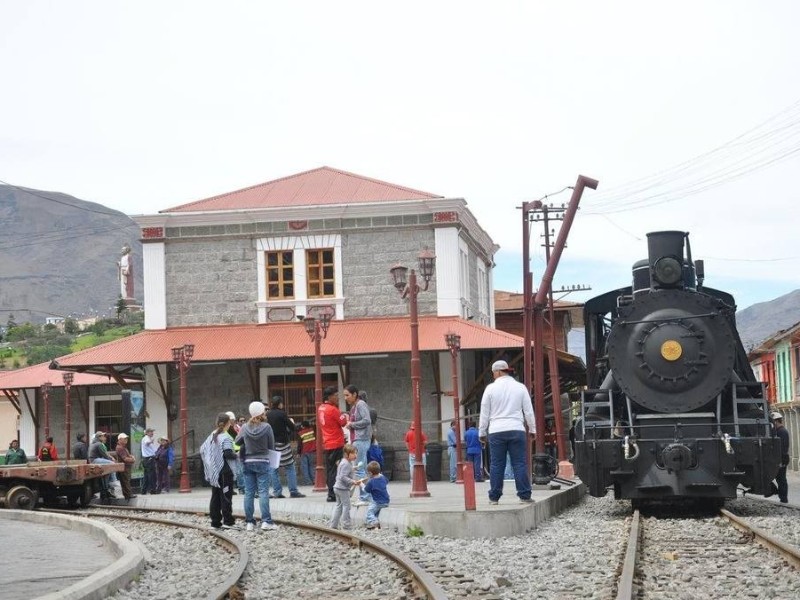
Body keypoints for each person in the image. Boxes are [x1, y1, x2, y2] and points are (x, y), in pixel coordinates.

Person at [478, 360, 536, 505]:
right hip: (517, 429)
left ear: (497, 372)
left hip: (496, 431)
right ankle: (524, 495)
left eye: (493, 373)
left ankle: (494, 497)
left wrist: (482, 432)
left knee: (497, 464)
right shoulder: (520, 387)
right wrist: (532, 429)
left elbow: (484, 413)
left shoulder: (490, 389)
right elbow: (528, 411)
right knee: (519, 463)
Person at [235, 401, 279, 531]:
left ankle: (249, 522)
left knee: (248, 492)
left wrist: (246, 439)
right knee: (263, 492)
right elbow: (272, 446)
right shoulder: (267, 427)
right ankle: (266, 521)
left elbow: (237, 441)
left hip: (248, 462)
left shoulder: (244, 427)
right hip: (263, 461)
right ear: (262, 412)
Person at [201, 412, 239, 530]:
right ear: (228, 424)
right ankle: (228, 521)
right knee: (226, 496)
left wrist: (210, 462)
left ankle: (215, 522)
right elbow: (228, 454)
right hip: (225, 471)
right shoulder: (226, 437)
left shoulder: (212, 435)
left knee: (215, 497)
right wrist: (237, 455)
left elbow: (202, 450)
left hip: (214, 471)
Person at [266, 396, 305, 499]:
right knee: (290, 467)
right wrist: (298, 425)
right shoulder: (282, 414)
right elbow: (292, 427)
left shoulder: (268, 414)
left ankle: (277, 492)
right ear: (279, 404)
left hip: (272, 444)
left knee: (273, 469)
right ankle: (293, 491)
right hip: (283, 444)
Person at [344, 384, 372, 504]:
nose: (345, 398)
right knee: (362, 469)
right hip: (357, 439)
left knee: (359, 469)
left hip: (361, 439)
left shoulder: (361, 404)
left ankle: (364, 497)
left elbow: (367, 420)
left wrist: (352, 424)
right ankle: (366, 495)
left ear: (355, 394)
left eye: (347, 395)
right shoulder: (354, 406)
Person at [318, 385, 346, 502]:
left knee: (330, 469)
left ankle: (331, 493)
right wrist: (344, 415)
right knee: (336, 469)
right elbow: (343, 422)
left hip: (327, 442)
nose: (338, 398)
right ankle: (333, 493)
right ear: (329, 397)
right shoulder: (333, 409)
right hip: (336, 442)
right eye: (336, 395)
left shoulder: (321, 408)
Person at [329, 444, 358, 530]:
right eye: (353, 453)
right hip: (343, 488)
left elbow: (343, 472)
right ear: (346, 454)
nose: (355, 455)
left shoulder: (344, 462)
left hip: (337, 487)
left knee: (339, 506)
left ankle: (333, 524)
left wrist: (352, 468)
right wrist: (353, 481)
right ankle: (346, 524)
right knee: (347, 506)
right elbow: (343, 476)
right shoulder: (346, 464)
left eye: (356, 453)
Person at [362, 460, 390, 530]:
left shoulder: (371, 481)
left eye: (368, 473)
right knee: (375, 512)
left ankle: (374, 522)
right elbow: (386, 481)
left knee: (369, 512)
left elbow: (365, 490)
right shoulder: (383, 478)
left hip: (377, 502)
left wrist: (361, 484)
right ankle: (375, 524)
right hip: (386, 501)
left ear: (371, 473)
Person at [769, 411, 790, 504]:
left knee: (781, 479)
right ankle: (780, 494)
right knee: (778, 478)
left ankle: (783, 498)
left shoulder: (782, 432)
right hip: (779, 459)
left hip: (782, 459)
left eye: (773, 422)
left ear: (776, 421)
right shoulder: (778, 431)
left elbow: (783, 448)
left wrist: (780, 461)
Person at [88, 432, 117, 498]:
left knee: (108, 468)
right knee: (112, 464)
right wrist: (112, 459)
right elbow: (105, 455)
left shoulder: (93, 443)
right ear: (99, 437)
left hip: (93, 460)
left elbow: (104, 454)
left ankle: (106, 489)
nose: (104, 437)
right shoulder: (99, 444)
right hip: (95, 460)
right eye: (103, 436)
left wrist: (109, 458)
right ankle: (113, 482)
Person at [115, 433, 137, 500]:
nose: (126, 440)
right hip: (124, 467)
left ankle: (128, 494)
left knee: (126, 481)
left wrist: (131, 456)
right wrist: (132, 459)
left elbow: (127, 456)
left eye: (126, 438)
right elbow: (125, 459)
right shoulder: (120, 448)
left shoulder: (122, 447)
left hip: (125, 467)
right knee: (125, 481)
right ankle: (128, 495)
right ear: (120, 439)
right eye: (124, 439)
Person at [297, 420, 316, 486]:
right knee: (311, 466)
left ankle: (307, 482)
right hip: (312, 451)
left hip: (304, 452)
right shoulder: (312, 431)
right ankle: (314, 480)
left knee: (305, 467)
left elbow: (299, 444)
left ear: (303, 426)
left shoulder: (301, 433)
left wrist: (298, 453)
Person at [140, 427, 158, 494]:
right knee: (151, 475)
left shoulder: (147, 438)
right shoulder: (146, 438)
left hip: (147, 459)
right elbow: (147, 442)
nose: (152, 433)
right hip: (149, 459)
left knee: (147, 475)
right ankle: (152, 490)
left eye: (152, 431)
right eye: (151, 431)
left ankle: (144, 490)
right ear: (147, 432)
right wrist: (151, 441)